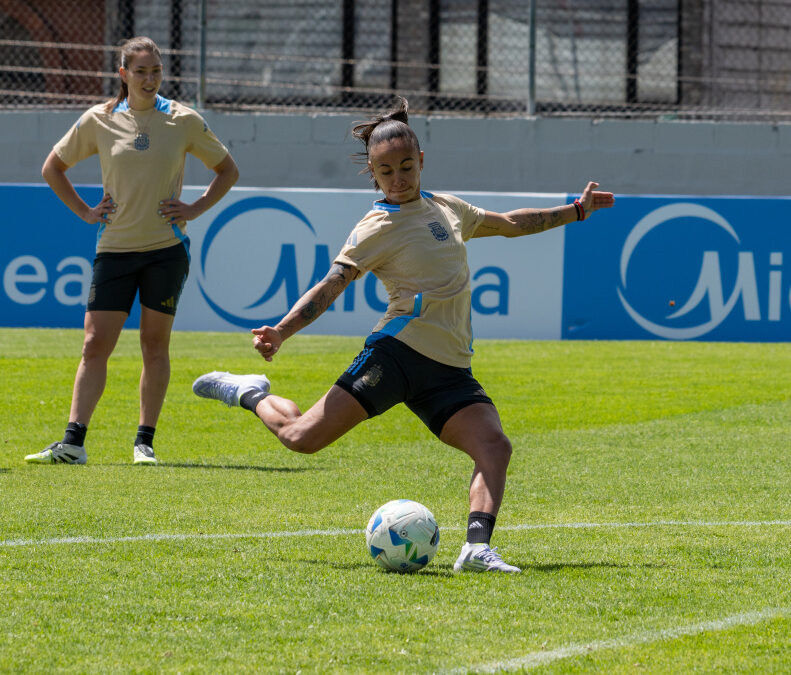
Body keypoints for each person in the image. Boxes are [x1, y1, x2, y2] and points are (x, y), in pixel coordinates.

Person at [192, 97, 614, 572]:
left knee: (494, 446)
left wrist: (576, 210)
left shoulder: (448, 208)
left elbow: (512, 224)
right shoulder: (375, 227)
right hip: (396, 356)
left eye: (406, 166)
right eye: (387, 171)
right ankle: (248, 392)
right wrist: (282, 331)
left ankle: (476, 549)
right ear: (374, 174)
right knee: (299, 438)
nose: (399, 178)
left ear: (421, 162)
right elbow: (331, 285)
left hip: (450, 368)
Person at [25, 36, 239, 466]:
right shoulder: (99, 120)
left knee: (154, 345)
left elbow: (227, 170)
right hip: (115, 250)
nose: (149, 79)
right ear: (122, 74)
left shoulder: (183, 120)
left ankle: (144, 443)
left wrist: (194, 208)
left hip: (166, 250)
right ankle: (73, 442)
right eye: (140, 71)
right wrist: (86, 212)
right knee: (93, 345)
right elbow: (53, 167)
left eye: (156, 71)